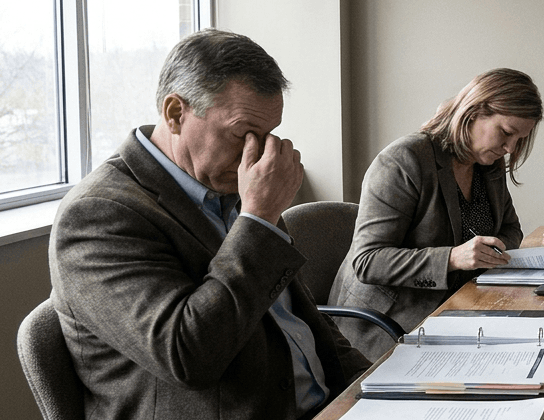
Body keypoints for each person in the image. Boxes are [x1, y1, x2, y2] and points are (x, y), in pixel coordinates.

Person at [47, 29, 370, 419]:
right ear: (175, 113)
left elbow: (300, 318)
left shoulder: (234, 185)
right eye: (241, 133)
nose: (259, 151)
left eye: (268, 134)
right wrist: (259, 219)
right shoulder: (98, 215)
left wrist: (374, 382)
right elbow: (188, 356)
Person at [332, 68, 541, 360]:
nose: (509, 148)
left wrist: (491, 251)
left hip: (461, 309)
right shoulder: (404, 161)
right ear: (473, 112)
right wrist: (454, 258)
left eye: (519, 139)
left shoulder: (488, 165)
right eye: (506, 133)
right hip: (389, 326)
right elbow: (367, 262)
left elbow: (510, 229)